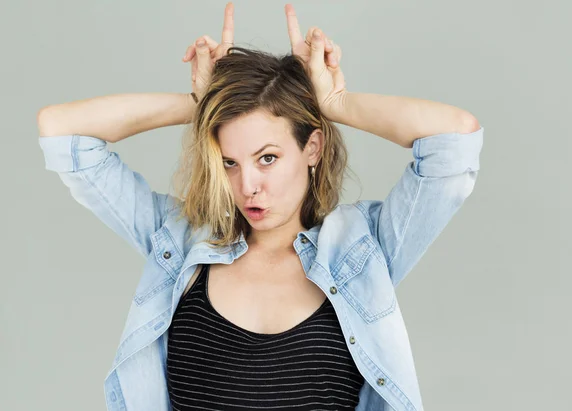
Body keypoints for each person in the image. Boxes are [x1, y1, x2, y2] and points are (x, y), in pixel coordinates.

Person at [37, 3, 484, 411]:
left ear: (312, 148)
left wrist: (335, 104)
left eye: (267, 158)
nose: (248, 185)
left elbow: (454, 141)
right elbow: (62, 133)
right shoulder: (179, 239)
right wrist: (197, 105)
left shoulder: (362, 250)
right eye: (230, 162)